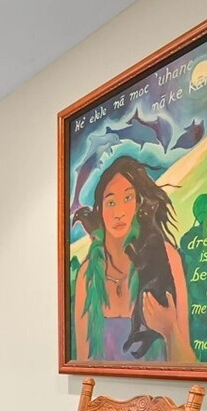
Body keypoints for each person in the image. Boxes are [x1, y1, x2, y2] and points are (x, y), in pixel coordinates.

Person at [72, 155, 194, 363]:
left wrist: (170, 330)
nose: (119, 212)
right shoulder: (88, 274)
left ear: (138, 204)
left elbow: (189, 364)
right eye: (111, 202)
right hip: (105, 385)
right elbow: (83, 365)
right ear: (100, 210)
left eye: (128, 198)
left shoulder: (166, 257)